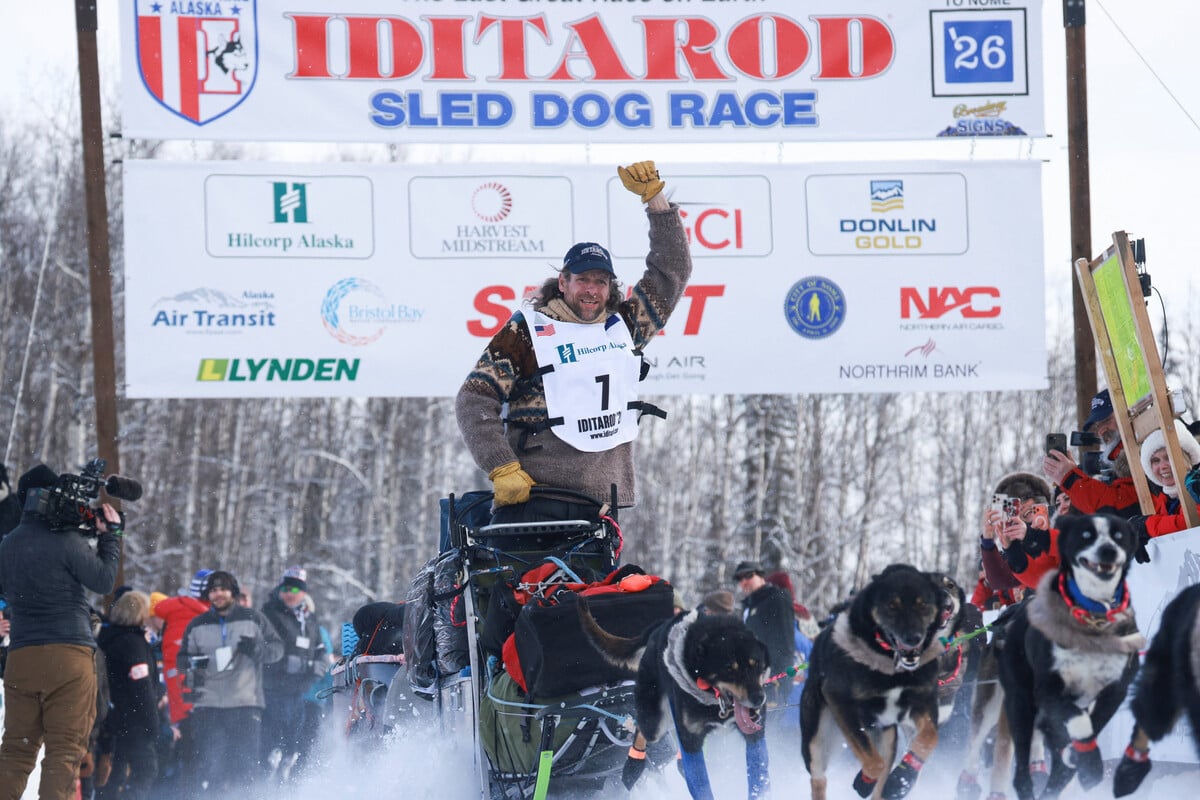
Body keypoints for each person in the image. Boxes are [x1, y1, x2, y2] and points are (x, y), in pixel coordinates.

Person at [456, 161, 692, 519]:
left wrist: (656, 202)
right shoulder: (527, 332)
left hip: (601, 504)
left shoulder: (625, 327)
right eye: (582, 280)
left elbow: (672, 269)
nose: (591, 290)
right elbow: (475, 397)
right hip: (535, 496)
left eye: (600, 281)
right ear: (563, 282)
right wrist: (501, 466)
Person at [0, 464, 123, 800]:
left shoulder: (7, 545)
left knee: (15, 751)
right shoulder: (66, 541)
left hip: (22, 656)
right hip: (69, 655)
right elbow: (102, 580)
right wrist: (110, 537)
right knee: (64, 753)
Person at [176, 570, 283, 796]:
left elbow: (277, 649)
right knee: (210, 769)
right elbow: (182, 660)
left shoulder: (253, 618)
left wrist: (257, 650)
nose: (218, 594)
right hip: (208, 706)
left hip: (245, 704)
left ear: (233, 592)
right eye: (213, 590)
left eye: (223, 589)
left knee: (244, 769)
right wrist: (192, 664)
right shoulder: (197, 624)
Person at [259, 566, 326, 782]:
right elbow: (269, 653)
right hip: (273, 690)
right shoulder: (269, 614)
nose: (290, 593)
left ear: (304, 592)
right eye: (286, 587)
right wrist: (300, 666)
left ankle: (288, 787)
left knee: (294, 747)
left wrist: (318, 667)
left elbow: (320, 650)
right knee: (272, 745)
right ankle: (261, 789)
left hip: (300, 692)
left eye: (296, 589)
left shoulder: (309, 619)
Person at [95, 590, 160, 800]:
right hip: (134, 721)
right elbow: (141, 686)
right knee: (145, 770)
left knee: (115, 774)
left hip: (114, 717)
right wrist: (152, 721)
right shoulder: (133, 644)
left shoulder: (108, 638)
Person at [1041, 389, 1141, 516]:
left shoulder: (1142, 452)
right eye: (1097, 426)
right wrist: (1074, 477)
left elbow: (1118, 506)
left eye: (1106, 421)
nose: (1102, 430)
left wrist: (1071, 479)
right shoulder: (1118, 458)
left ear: (1127, 414)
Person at [1128, 418, 1200, 549]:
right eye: (1155, 460)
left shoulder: (1197, 487)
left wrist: (1148, 526)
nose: (1163, 466)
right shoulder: (1163, 502)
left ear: (1187, 458)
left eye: (1168, 457)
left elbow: (1190, 523)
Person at [977, 472, 1054, 593]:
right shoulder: (1017, 545)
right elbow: (1000, 580)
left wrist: (1032, 536)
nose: (1022, 506)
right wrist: (988, 539)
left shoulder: (1059, 527)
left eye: (1026, 498)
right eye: (1016, 503)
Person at [733, 560, 794, 708]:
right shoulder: (749, 605)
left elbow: (785, 643)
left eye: (748, 576)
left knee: (774, 726)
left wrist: (778, 677)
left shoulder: (776, 598)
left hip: (773, 679)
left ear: (761, 576)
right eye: (739, 579)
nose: (744, 582)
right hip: (753, 680)